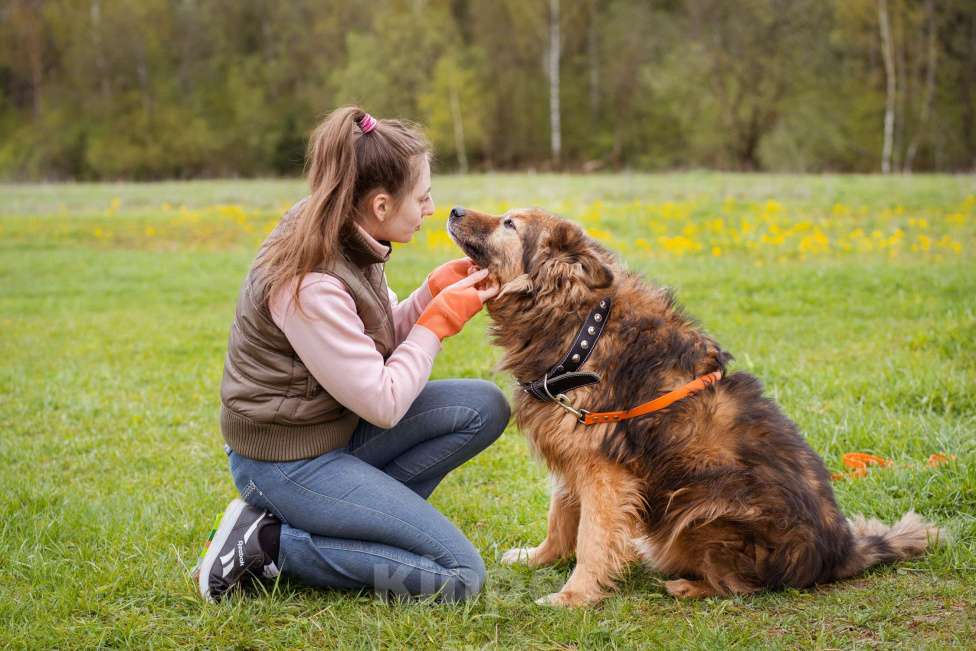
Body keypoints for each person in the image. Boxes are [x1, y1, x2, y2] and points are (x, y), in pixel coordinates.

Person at [191, 106, 508, 604]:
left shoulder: (348, 227)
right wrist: (436, 322)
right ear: (380, 205)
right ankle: (271, 545)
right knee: (459, 578)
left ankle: (350, 525)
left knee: (483, 406)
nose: (430, 208)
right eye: (422, 197)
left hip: (335, 431)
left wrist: (428, 295)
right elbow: (383, 401)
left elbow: (365, 350)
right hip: (284, 462)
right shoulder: (309, 279)